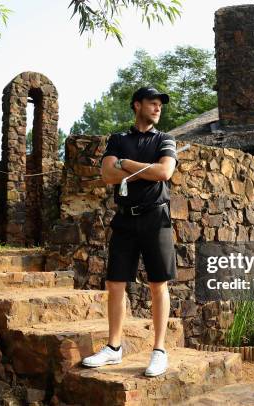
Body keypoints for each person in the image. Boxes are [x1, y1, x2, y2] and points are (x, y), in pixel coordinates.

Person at [81, 87, 179, 377]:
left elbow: (164, 173)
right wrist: (141, 168)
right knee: (115, 283)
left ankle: (159, 350)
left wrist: (125, 164)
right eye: (152, 103)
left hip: (155, 218)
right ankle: (113, 348)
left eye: (160, 104)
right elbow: (107, 175)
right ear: (137, 105)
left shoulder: (165, 139)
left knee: (158, 284)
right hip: (124, 219)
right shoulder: (118, 139)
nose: (158, 108)